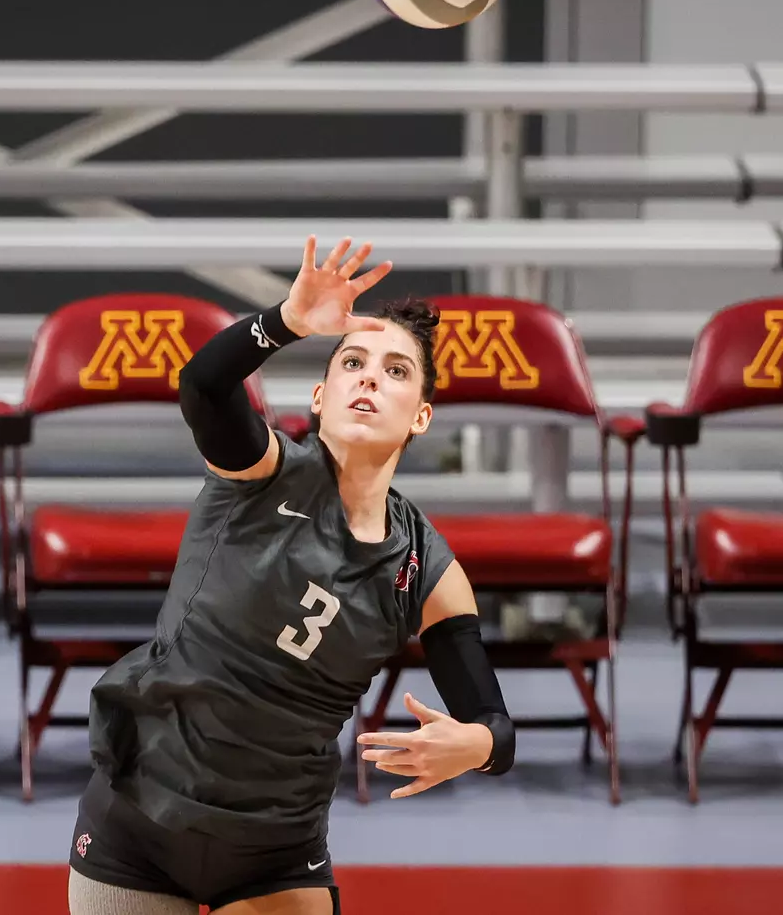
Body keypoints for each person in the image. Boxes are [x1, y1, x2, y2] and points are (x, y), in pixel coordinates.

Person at [68, 236, 514, 915]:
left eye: (397, 371)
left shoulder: (427, 570)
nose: (369, 377)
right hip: (143, 822)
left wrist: (475, 746)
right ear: (319, 394)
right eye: (353, 362)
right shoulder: (260, 473)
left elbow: (493, 723)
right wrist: (285, 321)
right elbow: (203, 385)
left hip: (276, 851)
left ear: (422, 415)